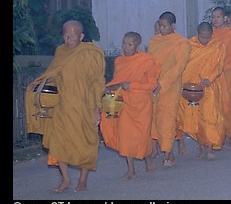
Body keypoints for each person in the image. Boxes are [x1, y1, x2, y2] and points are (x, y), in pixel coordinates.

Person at [25, 20, 105, 192]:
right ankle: (66, 179)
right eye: (66, 35)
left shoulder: (90, 53)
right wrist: (38, 83)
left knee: (86, 143)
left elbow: (98, 81)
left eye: (73, 35)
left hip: (84, 106)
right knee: (56, 144)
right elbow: (54, 75)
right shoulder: (60, 52)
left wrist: (97, 107)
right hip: (62, 106)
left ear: (81, 36)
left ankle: (82, 180)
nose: (68, 39)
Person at [99, 32, 160, 180]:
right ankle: (131, 169)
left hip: (141, 103)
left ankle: (148, 158)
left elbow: (152, 84)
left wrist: (131, 85)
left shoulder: (146, 60)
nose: (126, 47)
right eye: (124, 44)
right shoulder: (119, 61)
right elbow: (117, 80)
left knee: (142, 135)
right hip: (124, 102)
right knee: (125, 134)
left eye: (130, 44)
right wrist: (110, 88)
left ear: (137, 46)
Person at [178, 22, 226, 159]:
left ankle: (210, 148)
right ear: (197, 34)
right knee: (195, 118)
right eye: (202, 37)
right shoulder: (189, 45)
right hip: (191, 88)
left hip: (209, 86)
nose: (205, 41)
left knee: (209, 117)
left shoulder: (218, 46)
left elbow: (219, 65)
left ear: (212, 35)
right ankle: (201, 147)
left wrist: (209, 78)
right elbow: (184, 65)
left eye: (207, 38)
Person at [147, 11, 189, 167]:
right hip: (153, 85)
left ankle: (168, 151)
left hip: (170, 86)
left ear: (173, 26)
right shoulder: (154, 41)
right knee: (153, 117)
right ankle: (154, 147)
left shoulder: (181, 43)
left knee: (167, 118)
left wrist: (162, 84)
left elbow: (179, 67)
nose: (162, 29)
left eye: (165, 26)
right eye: (160, 25)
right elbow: (149, 62)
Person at [210, 7, 231, 147]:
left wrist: (224, 67)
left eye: (218, 17)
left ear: (225, 19)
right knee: (212, 106)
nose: (215, 19)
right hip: (211, 76)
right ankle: (213, 136)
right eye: (213, 17)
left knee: (226, 106)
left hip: (226, 73)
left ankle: (227, 134)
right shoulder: (208, 34)